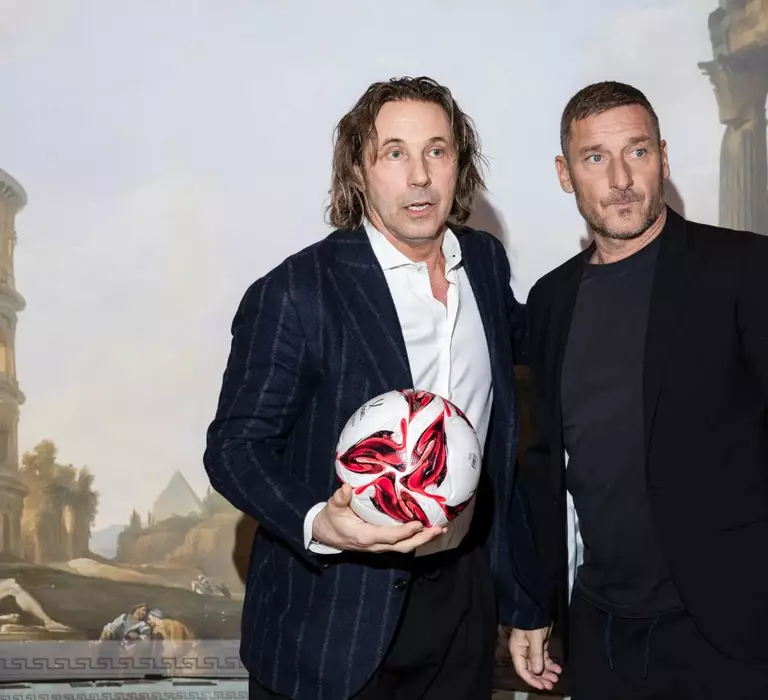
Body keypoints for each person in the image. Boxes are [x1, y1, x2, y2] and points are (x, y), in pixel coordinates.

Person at [506, 80, 768, 699]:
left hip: (731, 627)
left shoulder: (745, 268)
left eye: (638, 151)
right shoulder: (551, 300)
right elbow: (545, 464)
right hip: (600, 630)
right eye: (595, 157)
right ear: (566, 174)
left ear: (664, 158)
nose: (621, 178)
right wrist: (533, 603)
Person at [203, 76, 544, 700]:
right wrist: (320, 523)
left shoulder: (485, 265)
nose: (420, 176)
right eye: (394, 153)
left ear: (459, 163)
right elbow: (233, 449)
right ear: (358, 172)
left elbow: (514, 415)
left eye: (437, 150)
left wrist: (522, 599)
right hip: (330, 621)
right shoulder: (296, 292)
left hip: (462, 605)